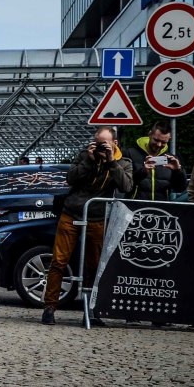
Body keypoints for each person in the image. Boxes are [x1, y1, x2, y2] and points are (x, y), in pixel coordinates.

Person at [41, 126, 133, 326]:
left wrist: (110, 161)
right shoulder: (85, 156)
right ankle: (49, 308)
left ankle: (91, 311)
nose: (100, 146)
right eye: (97, 142)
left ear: (114, 143)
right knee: (58, 261)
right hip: (72, 213)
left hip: (98, 218)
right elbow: (70, 178)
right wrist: (89, 161)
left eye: (104, 143)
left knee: (94, 265)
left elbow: (126, 186)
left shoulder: (124, 163)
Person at [123, 119, 185, 201]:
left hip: (160, 209)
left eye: (163, 142)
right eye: (156, 140)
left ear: (169, 139)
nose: (159, 145)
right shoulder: (131, 153)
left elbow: (180, 188)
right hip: (134, 208)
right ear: (149, 134)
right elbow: (123, 184)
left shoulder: (172, 158)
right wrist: (143, 171)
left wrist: (178, 171)